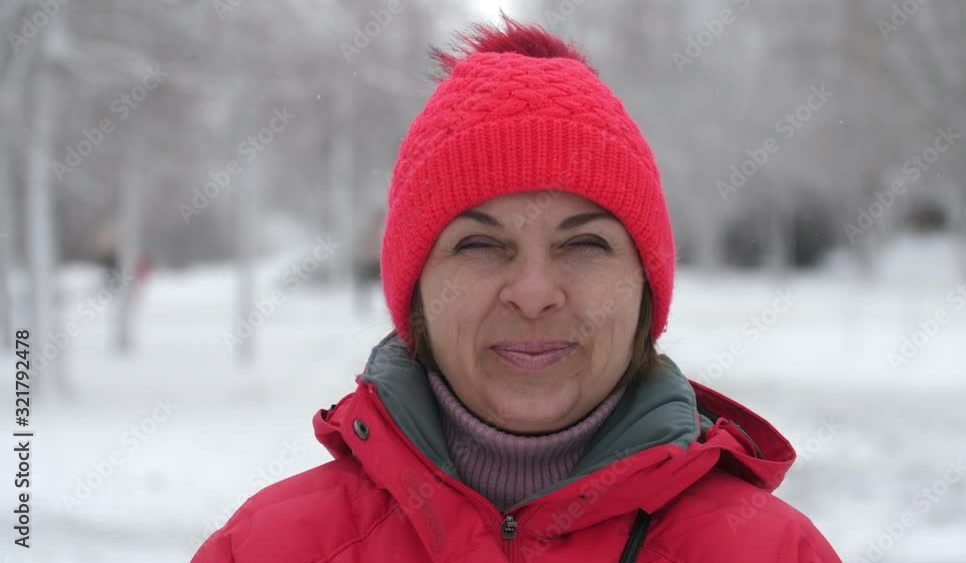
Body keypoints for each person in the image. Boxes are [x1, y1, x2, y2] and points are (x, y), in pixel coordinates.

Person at [192, 16, 841, 563]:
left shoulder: (772, 551)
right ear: (417, 293)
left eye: (585, 245)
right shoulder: (268, 548)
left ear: (645, 290)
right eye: (479, 244)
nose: (533, 294)